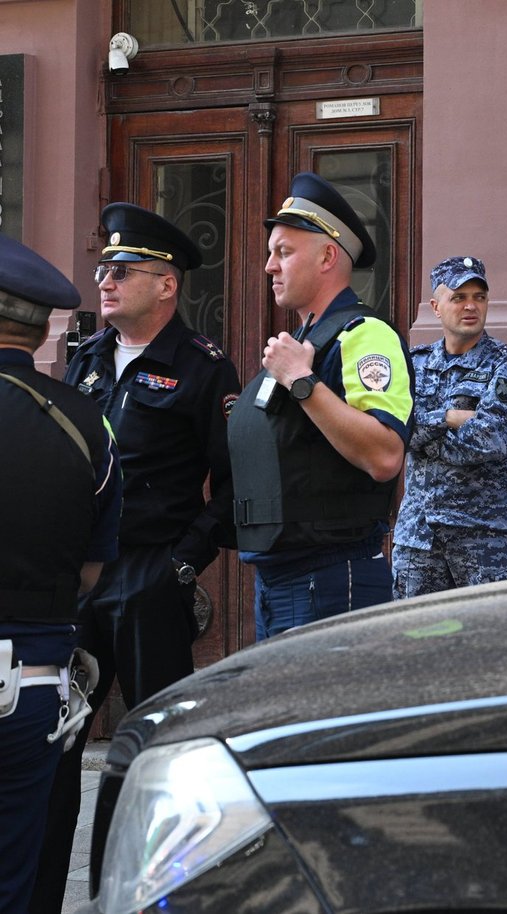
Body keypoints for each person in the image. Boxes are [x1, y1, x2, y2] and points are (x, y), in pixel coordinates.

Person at [30, 203, 241, 914]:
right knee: (58, 745)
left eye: (122, 271)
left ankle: (147, 893)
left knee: (153, 750)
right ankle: (44, 891)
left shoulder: (202, 368)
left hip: (151, 574)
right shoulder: (86, 360)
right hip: (81, 578)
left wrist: (184, 561)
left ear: (166, 285)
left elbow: (233, 485)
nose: (106, 281)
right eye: (102, 270)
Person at [228, 171, 414, 638]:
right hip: (280, 579)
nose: (270, 266)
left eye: (284, 253)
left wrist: (303, 381)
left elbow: (386, 455)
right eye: (271, 253)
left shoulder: (365, 335)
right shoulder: (304, 341)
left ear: (328, 255)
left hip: (332, 577)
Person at [0, 234, 121, 914]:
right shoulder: (87, 423)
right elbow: (92, 566)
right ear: (43, 324)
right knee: (15, 874)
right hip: (33, 682)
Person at [391, 256, 507, 597]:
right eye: (459, 297)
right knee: (417, 642)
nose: (471, 306)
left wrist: (422, 434)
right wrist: (449, 418)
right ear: (436, 306)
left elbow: (495, 438)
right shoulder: (414, 363)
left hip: (484, 540)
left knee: (493, 644)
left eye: (479, 297)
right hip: (419, 539)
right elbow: (393, 429)